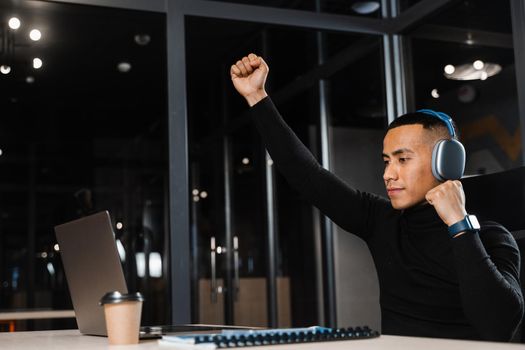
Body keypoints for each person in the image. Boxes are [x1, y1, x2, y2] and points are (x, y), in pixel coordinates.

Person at [230, 53, 524, 341]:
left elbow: (497, 325)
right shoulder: (381, 220)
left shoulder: (492, 237)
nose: (388, 174)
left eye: (403, 159)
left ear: (445, 162)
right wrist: (257, 96)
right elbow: (307, 175)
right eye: (386, 161)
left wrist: (459, 226)